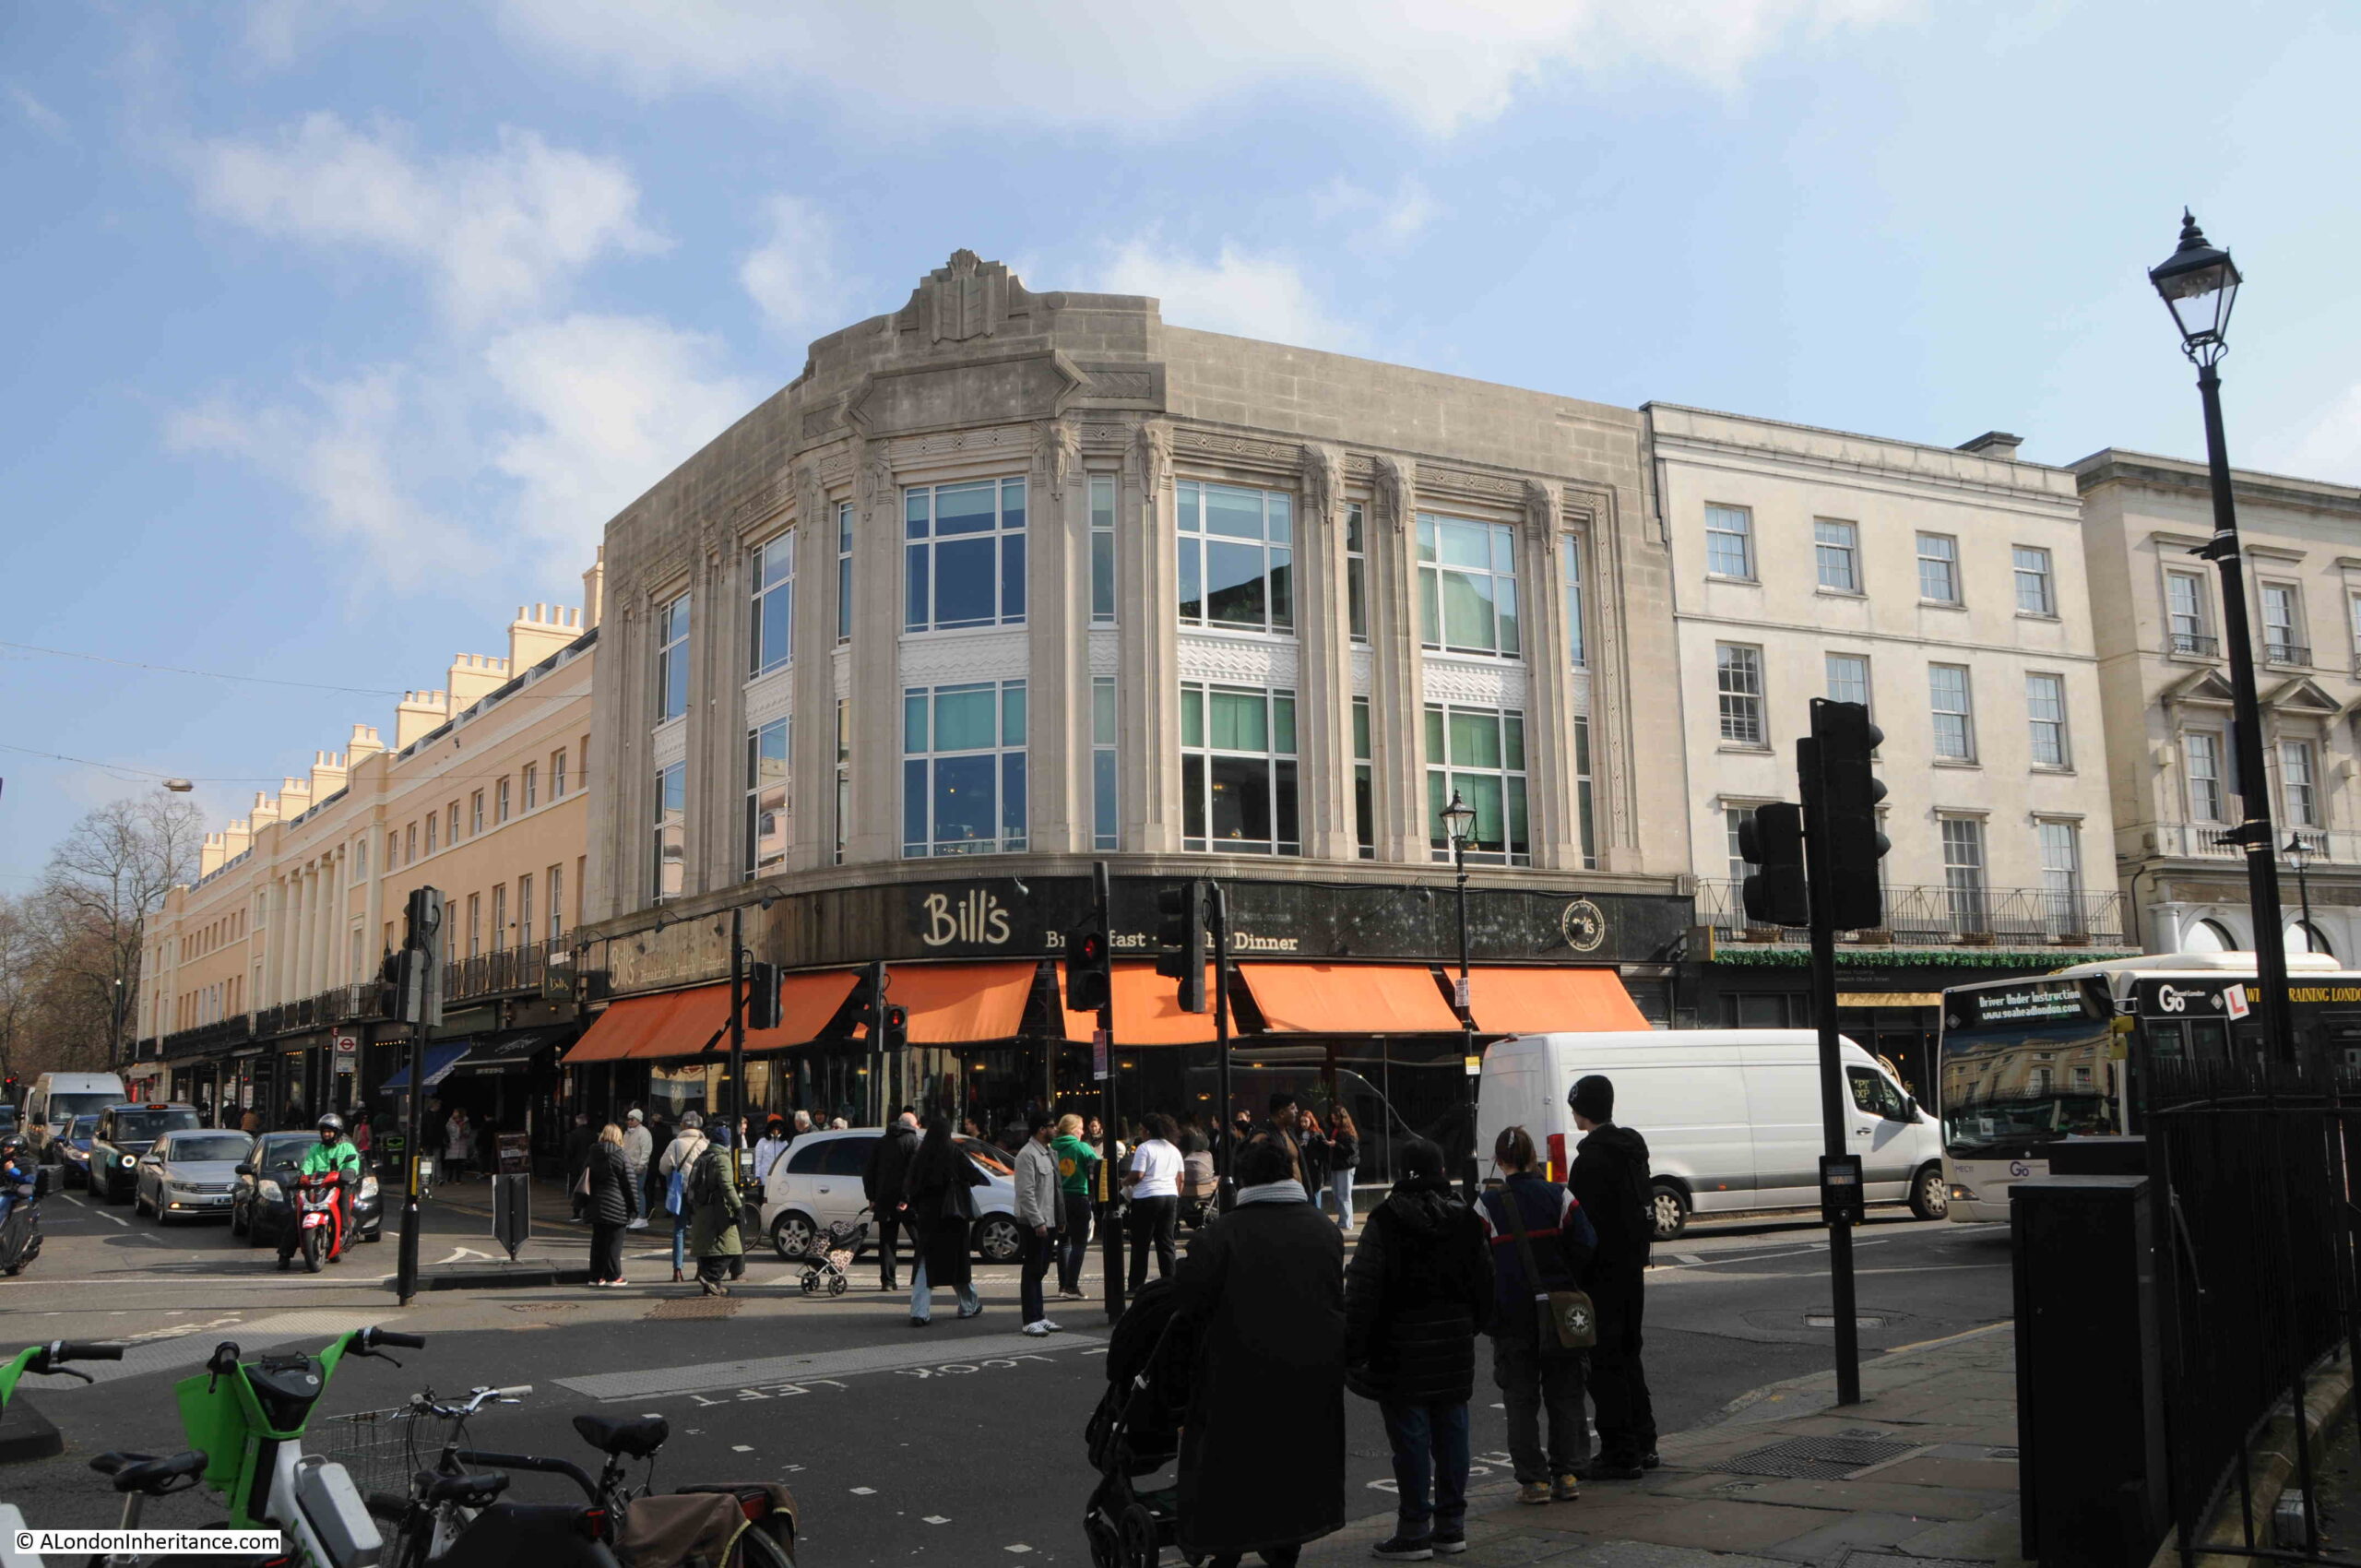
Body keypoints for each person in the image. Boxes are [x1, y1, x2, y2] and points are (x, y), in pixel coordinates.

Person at [1172, 1134, 1345, 1567]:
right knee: (1295, 1462)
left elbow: (1189, 1303)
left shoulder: (1221, 1235)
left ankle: (1227, 1548)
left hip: (1239, 1374)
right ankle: (1287, 1543)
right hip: (1310, 1371)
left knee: (1234, 1466)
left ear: (1243, 1179)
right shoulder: (1323, 1228)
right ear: (1288, 1173)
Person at [1346, 1137, 1493, 1560]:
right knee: (1453, 1437)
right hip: (1453, 1346)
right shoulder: (1465, 1219)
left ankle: (1413, 1529)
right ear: (1442, 1170)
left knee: (1410, 1441)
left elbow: (1363, 1291)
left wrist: (1353, 1349)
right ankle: (1451, 1526)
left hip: (1399, 1348)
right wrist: (1472, 1324)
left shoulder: (1385, 1220)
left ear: (1402, 1172)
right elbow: (1486, 1281)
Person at [1477, 1124, 1598, 1504]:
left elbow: (1474, 1262)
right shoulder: (1559, 1196)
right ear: (1533, 1158)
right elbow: (1587, 1243)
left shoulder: (1486, 1206)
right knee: (1566, 1395)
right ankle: (1567, 1475)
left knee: (1520, 1401)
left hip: (1512, 1316)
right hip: (1560, 1313)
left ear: (1499, 1161)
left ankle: (1534, 1482)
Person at [1567, 1074, 1660, 1479]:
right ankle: (1645, 1442)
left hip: (1601, 1275)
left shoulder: (1590, 1161)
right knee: (1629, 1354)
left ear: (1582, 1110)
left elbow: (1581, 1227)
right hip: (1631, 1269)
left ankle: (1621, 1453)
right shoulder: (1631, 1151)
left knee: (1604, 1363)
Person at [903, 1111, 986, 1325]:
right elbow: (974, 1176)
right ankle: (969, 1305)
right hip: (953, 1216)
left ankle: (919, 1312)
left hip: (929, 1217)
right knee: (957, 1263)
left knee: (925, 1263)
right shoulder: (954, 1153)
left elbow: (912, 1188)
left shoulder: (921, 1155)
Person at [291, 1112, 363, 1269]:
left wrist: (349, 1172)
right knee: (297, 1211)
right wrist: (302, 1176)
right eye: (324, 1131)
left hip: (337, 1185)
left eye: (330, 1131)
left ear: (337, 1133)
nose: (326, 1134)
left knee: (344, 1197)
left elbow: (353, 1164)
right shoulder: (315, 1148)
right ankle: (285, 1253)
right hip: (316, 1185)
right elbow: (308, 1163)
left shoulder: (347, 1147)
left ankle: (345, 1232)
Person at [1012, 1112, 1062, 1336]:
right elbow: (1026, 1192)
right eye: (1052, 1126)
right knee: (1032, 1268)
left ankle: (1040, 1316)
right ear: (1041, 1129)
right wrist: (1037, 1221)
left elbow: (1056, 1189)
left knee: (1041, 1269)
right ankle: (1030, 1320)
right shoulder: (1027, 1154)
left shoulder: (1049, 1152)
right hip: (1034, 1221)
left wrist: (1059, 1219)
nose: (1055, 1129)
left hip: (1049, 1219)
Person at [863, 1109, 921, 1291]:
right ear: (911, 1125)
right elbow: (914, 1173)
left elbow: (869, 1172)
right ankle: (921, 1279)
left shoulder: (881, 1142)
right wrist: (907, 1197)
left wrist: (872, 1197)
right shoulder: (913, 1142)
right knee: (920, 1240)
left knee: (887, 1242)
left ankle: (888, 1281)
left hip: (884, 1198)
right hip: (907, 1201)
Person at [685, 1119, 745, 1295]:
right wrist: (738, 1206)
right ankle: (712, 1279)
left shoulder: (702, 1157)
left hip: (701, 1209)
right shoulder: (722, 1159)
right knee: (731, 1248)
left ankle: (712, 1285)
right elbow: (727, 1186)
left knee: (707, 1249)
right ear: (726, 1142)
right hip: (718, 1211)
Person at [1123, 1113, 1182, 1289]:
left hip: (1146, 1197)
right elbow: (1181, 1178)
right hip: (1170, 1196)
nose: (1140, 1133)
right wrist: (1175, 1195)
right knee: (1166, 1243)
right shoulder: (1173, 1149)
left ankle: (1136, 1285)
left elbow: (1138, 1175)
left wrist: (1124, 1182)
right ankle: (1170, 1283)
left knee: (1141, 1243)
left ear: (1147, 1131)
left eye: (1141, 1129)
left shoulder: (1144, 1148)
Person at [658, 1112, 710, 1284]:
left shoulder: (675, 1144)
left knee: (679, 1230)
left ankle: (677, 1271)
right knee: (700, 1231)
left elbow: (663, 1168)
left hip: (681, 1192)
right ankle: (701, 1270)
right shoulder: (705, 1144)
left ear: (683, 1126)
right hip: (700, 1193)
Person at [1051, 1112, 1095, 1300]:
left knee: (1063, 1242)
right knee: (1079, 1243)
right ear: (1072, 1129)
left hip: (1058, 1199)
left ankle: (1063, 1285)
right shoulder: (1081, 1147)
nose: (1082, 1132)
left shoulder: (1052, 1146)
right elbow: (1099, 1165)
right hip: (1078, 1197)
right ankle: (1072, 1285)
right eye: (1080, 1128)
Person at [586, 1123, 635, 1286]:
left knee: (598, 1241)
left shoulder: (592, 1154)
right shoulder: (621, 1155)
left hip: (596, 1204)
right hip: (617, 1205)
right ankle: (613, 1276)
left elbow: (584, 1177)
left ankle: (595, 1276)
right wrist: (634, 1207)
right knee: (614, 1242)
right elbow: (629, 1183)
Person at [1325, 1106, 1361, 1232]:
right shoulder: (1334, 1129)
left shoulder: (1348, 1131)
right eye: (1333, 1119)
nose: (1334, 1121)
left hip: (1345, 1166)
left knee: (1344, 1194)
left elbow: (1351, 1150)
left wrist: (1336, 1145)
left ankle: (1346, 1223)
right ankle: (1343, 1220)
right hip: (1336, 1165)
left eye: (1336, 1119)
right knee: (1336, 1194)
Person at [564, 1112, 598, 1222]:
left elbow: (569, 1151)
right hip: (591, 1165)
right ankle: (588, 1212)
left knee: (578, 1189)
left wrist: (568, 1166)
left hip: (577, 1166)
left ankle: (576, 1213)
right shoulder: (593, 1135)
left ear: (577, 1122)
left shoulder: (573, 1135)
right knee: (590, 1189)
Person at [0, 1134, 36, 1229]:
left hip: (15, 1195)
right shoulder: (3, 1161)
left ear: (18, 1149)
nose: (5, 1149)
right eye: (4, 1147)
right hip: (3, 1192)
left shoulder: (27, 1163)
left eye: (9, 1147)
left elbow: (29, 1179)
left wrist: (12, 1170)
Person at [753, 1115, 791, 1184]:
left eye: (778, 1129)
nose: (776, 1131)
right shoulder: (762, 1142)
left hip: (779, 1178)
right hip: (765, 1178)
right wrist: (757, 1176)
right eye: (774, 1129)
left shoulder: (784, 1143)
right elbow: (757, 1160)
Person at [444, 1107, 474, 1182]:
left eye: (456, 1112)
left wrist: (463, 1132)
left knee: (459, 1163)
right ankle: (449, 1178)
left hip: (461, 1144)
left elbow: (468, 1132)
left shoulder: (466, 1122)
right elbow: (447, 1131)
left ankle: (458, 1179)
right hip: (452, 1143)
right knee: (450, 1162)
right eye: (454, 1112)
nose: (454, 1113)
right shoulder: (450, 1122)